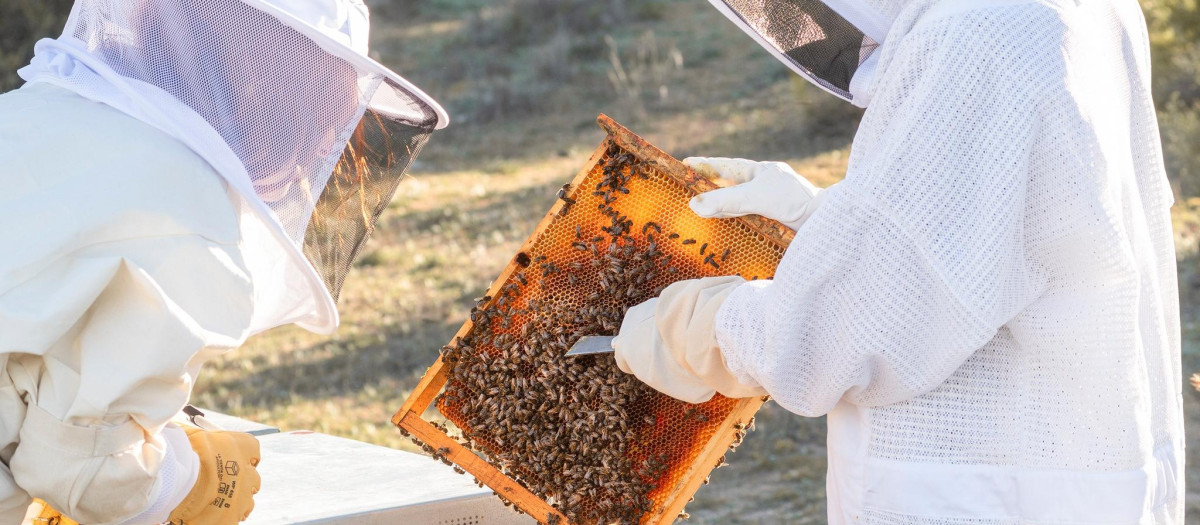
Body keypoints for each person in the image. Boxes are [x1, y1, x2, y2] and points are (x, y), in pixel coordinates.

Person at [613, 0, 1184, 523]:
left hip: (995, 493)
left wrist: (700, 330)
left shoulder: (980, 30)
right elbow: (1013, 223)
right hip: (1071, 467)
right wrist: (822, 220)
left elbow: (846, 332)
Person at [0, 0, 447, 523]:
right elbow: (88, 473)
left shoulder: (22, 117)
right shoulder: (184, 209)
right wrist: (194, 477)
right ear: (301, 106)